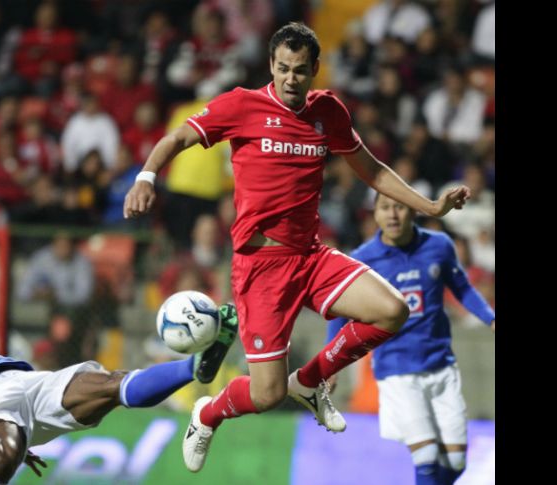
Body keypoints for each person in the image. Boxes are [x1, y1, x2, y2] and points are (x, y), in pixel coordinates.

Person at [123, 22, 471, 473]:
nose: (291, 78)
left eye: (300, 70)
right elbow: (177, 138)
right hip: (260, 267)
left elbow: (372, 170)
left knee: (392, 310)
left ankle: (308, 382)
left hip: (310, 255)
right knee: (267, 394)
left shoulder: (328, 111)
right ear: (271, 65)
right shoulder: (242, 105)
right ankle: (207, 414)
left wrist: (431, 206)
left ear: (314, 70)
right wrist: (146, 177)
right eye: (283, 68)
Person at [0, 265, 240, 485]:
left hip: (21, 380)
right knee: (4, 450)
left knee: (109, 385)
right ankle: (5, 449)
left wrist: (21, 434)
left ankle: (196, 367)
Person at [326, 193, 494, 485]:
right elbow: (339, 313)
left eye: (400, 207)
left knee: (455, 461)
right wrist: (331, 365)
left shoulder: (439, 246)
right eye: (385, 208)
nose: (392, 215)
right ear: (375, 214)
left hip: (441, 365)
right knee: (426, 454)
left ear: (413, 211)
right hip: (396, 370)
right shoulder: (362, 260)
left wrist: (490, 318)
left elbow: (462, 288)